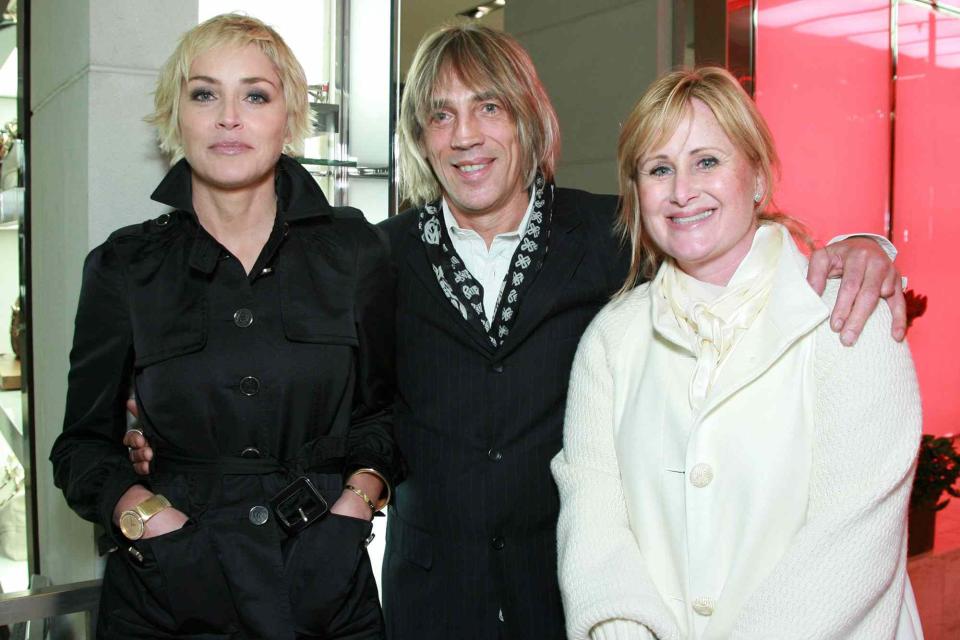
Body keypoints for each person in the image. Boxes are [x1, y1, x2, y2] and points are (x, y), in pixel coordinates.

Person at [129, 24, 905, 640]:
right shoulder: (376, 255)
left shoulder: (613, 232)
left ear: (528, 119)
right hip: (431, 599)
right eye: (441, 114)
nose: (465, 135)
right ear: (421, 139)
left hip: (577, 600)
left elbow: (724, 242)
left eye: (488, 107)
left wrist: (867, 249)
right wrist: (165, 412)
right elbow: (303, 365)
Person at [50, 14, 397, 640]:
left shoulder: (352, 250)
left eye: (255, 94)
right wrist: (145, 515)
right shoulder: (124, 265)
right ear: (174, 116)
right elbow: (80, 447)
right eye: (204, 93)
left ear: (288, 117)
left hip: (324, 583)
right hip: (167, 594)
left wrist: (356, 503)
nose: (228, 117)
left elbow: (383, 414)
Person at [552, 66, 923, 640]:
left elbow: (851, 541)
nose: (681, 191)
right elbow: (595, 529)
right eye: (659, 169)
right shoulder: (610, 340)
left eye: (707, 161)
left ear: (756, 177)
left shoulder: (851, 314)